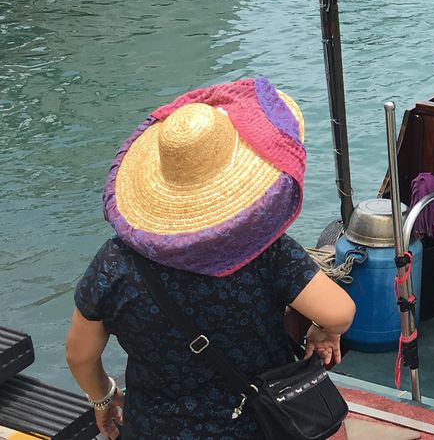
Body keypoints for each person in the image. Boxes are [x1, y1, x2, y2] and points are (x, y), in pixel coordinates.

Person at [65, 78, 355, 439]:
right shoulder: (267, 250)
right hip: (257, 426)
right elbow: (339, 312)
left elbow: (80, 356)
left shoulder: (115, 262)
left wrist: (103, 398)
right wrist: (322, 331)